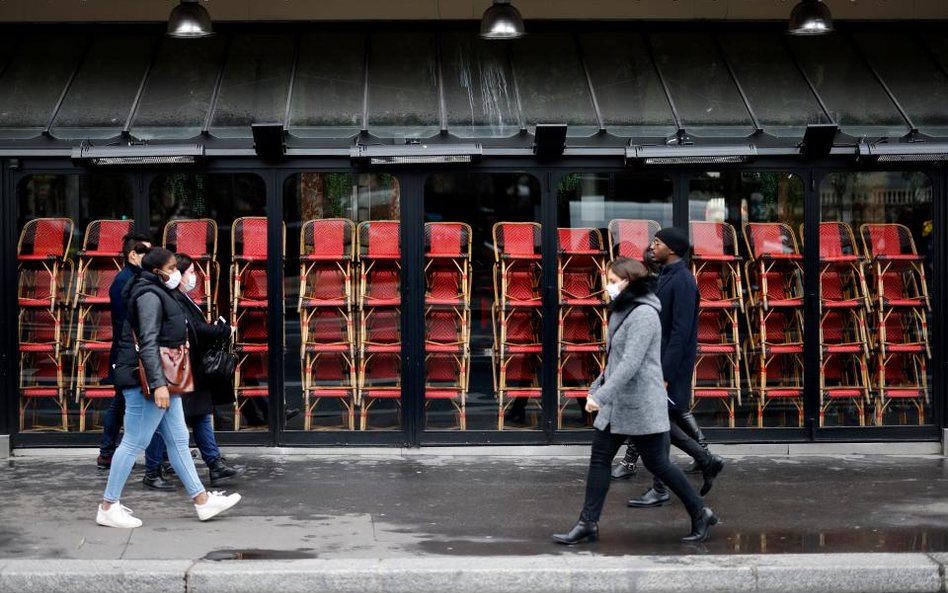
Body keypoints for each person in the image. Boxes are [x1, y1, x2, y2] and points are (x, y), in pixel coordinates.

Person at [552, 257, 718, 545]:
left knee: (659, 464)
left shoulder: (644, 314)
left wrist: (600, 396)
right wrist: (596, 388)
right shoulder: (622, 311)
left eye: (613, 282)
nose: (608, 287)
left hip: (642, 403)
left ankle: (700, 512)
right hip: (619, 404)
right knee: (600, 461)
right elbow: (615, 361)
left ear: (629, 283)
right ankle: (587, 523)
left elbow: (630, 364)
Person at [96, 247, 241, 528]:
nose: (177, 272)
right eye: (173, 267)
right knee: (134, 441)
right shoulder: (149, 295)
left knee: (177, 441)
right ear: (157, 271)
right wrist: (158, 384)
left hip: (163, 379)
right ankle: (108, 505)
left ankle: (202, 501)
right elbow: (148, 342)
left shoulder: (158, 292)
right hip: (150, 381)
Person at [626, 227, 724, 508]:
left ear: (671, 249)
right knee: (660, 425)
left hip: (670, 368)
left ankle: (662, 486)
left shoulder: (682, 280)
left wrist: (665, 375)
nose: (651, 247)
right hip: (660, 364)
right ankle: (706, 460)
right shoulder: (666, 276)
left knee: (656, 425)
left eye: (656, 243)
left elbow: (680, 333)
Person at [97, 233, 168, 489]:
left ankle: (109, 453)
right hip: (129, 353)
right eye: (146, 253)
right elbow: (128, 322)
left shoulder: (133, 278)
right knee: (123, 404)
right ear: (133, 255)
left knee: (121, 402)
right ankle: (111, 455)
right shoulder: (125, 282)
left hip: (129, 352)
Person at [172, 254, 245, 485]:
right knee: (170, 422)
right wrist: (223, 331)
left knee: (201, 415)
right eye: (190, 272)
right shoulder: (175, 299)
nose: (194, 277)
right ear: (178, 275)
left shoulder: (183, 297)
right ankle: (157, 466)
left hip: (193, 368)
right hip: (185, 368)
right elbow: (195, 329)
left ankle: (214, 464)